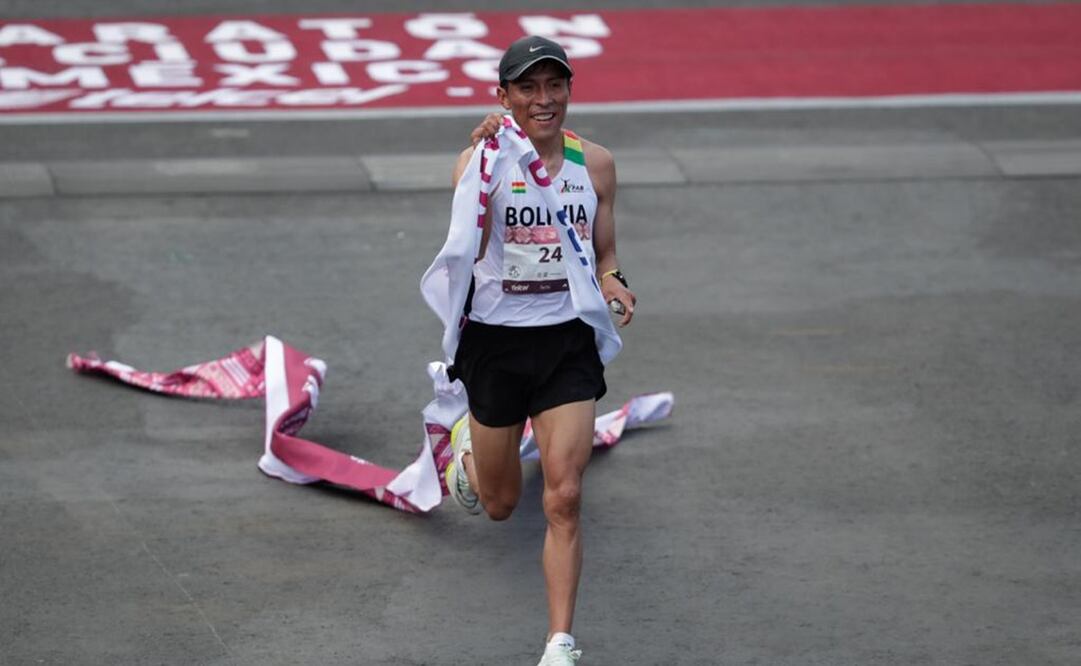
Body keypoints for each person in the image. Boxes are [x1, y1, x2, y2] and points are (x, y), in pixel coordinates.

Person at [442, 35, 636, 666]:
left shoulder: (596, 163)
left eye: (555, 86)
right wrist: (480, 152)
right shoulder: (483, 162)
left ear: (569, 91)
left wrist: (613, 283)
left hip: (566, 342)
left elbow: (605, 253)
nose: (543, 99)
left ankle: (560, 643)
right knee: (500, 506)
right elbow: (463, 248)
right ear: (504, 97)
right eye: (527, 87)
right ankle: (464, 448)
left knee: (565, 496)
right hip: (497, 344)